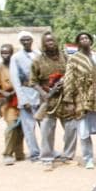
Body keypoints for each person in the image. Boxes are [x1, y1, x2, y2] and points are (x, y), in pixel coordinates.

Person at [62, 32, 96, 169]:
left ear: (91, 41)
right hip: (82, 98)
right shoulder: (74, 59)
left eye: (86, 38)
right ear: (78, 43)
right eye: (81, 39)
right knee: (84, 132)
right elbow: (69, 80)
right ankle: (88, 158)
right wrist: (68, 101)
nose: (84, 40)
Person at [30, 32, 77, 170]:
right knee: (46, 131)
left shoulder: (66, 58)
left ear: (56, 42)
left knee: (71, 129)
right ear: (43, 44)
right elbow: (33, 82)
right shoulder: (37, 60)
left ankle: (67, 156)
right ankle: (47, 158)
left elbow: (72, 76)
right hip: (48, 100)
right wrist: (44, 93)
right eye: (47, 41)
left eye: (52, 40)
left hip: (65, 99)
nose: (50, 43)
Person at [0, 44, 24, 164]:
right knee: (11, 127)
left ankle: (19, 153)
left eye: (7, 52)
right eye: (3, 53)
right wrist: (4, 92)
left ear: (12, 53)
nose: (5, 55)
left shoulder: (17, 66)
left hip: (20, 101)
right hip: (7, 103)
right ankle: (7, 154)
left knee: (21, 128)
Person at [9, 30, 40, 161]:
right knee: (29, 128)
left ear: (32, 40)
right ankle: (34, 153)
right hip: (26, 94)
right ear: (20, 42)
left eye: (28, 39)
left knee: (45, 126)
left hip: (40, 94)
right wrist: (23, 99)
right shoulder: (16, 58)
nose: (26, 42)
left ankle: (47, 151)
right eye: (23, 40)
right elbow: (15, 80)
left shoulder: (38, 54)